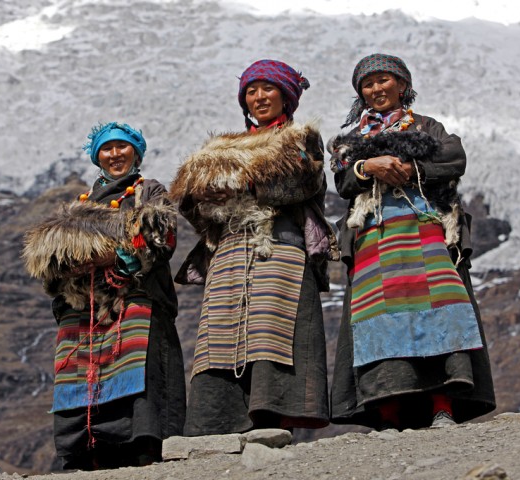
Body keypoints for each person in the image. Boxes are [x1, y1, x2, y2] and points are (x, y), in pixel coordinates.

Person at [170, 59, 339, 435]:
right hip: (229, 249)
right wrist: (212, 196)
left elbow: (301, 185)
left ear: (286, 95)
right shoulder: (218, 147)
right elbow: (188, 198)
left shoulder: (301, 140)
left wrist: (241, 185)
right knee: (222, 332)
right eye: (251, 90)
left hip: (279, 246)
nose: (259, 97)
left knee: (271, 328)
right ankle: (220, 424)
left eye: (268, 88)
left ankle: (271, 420)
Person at [329, 53, 495, 431]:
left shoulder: (427, 126)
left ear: (402, 85)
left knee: (440, 307)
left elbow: (455, 158)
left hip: (425, 229)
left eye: (383, 81)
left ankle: (443, 408)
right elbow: (342, 183)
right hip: (375, 234)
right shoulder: (352, 141)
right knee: (380, 317)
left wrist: (411, 168)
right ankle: (389, 415)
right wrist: (365, 166)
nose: (376, 89)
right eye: (368, 85)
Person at [22, 122, 186, 469]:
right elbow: (49, 262)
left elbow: (161, 239)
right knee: (80, 377)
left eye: (122, 147)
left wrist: (113, 255)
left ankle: (141, 452)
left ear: (136, 153)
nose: (115, 154)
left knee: (139, 375)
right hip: (82, 309)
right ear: (97, 156)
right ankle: (88, 457)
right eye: (107, 149)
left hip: (134, 300)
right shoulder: (76, 207)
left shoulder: (150, 193)